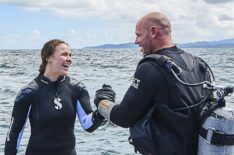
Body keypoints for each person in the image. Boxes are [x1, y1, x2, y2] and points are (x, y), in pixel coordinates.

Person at [94, 12, 212, 155]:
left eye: (138, 35)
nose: (136, 41)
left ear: (153, 32)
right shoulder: (199, 65)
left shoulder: (151, 67)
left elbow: (123, 117)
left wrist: (101, 101)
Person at [5, 39, 105, 155]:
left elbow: (88, 124)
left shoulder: (77, 89)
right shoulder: (29, 92)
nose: (69, 59)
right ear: (48, 57)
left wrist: (101, 111)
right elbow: (14, 134)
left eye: (70, 55)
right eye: (64, 54)